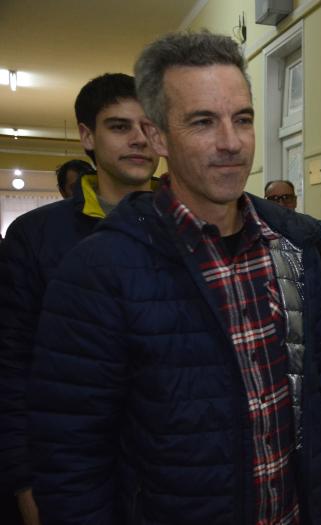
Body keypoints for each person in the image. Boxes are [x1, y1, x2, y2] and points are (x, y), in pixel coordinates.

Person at [27, 31, 321, 525]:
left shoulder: (291, 247)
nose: (231, 142)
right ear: (157, 137)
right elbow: (70, 450)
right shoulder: (100, 269)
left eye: (242, 119)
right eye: (203, 121)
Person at [0, 72, 159, 525]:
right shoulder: (38, 236)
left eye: (148, 126)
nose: (138, 140)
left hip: (170, 473)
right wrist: (25, 482)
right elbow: (12, 367)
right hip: (73, 472)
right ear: (87, 136)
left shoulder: (186, 229)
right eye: (119, 126)